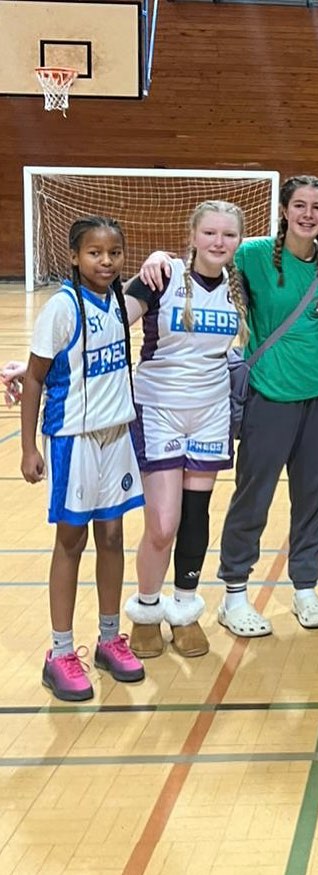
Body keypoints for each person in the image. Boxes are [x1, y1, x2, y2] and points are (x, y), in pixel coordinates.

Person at [141, 175, 318, 636]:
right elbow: (206, 256)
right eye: (299, 205)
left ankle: (305, 586)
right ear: (284, 210)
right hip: (269, 392)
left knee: (313, 495)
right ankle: (234, 592)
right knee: (254, 495)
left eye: (317, 206)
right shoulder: (251, 254)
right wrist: (161, 258)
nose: (308, 214)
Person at [19, 216, 145, 701]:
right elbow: (34, 377)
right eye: (95, 252)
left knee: (112, 536)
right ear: (74, 256)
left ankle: (110, 638)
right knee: (71, 540)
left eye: (114, 252)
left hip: (116, 436)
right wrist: (29, 447)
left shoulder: (118, 301)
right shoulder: (62, 307)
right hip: (73, 438)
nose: (106, 261)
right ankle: (60, 652)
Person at [123, 201, 249, 658]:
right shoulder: (162, 276)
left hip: (211, 411)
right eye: (210, 232)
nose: (219, 242)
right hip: (158, 408)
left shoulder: (241, 286)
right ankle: (146, 609)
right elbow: (108, 324)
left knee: (196, 517)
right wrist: (40, 366)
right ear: (193, 235)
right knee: (163, 523)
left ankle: (184, 609)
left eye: (228, 235)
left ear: (239, 241)